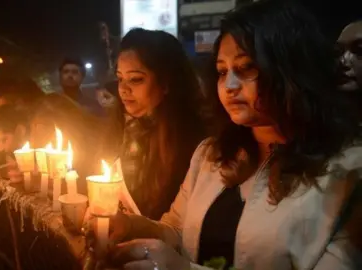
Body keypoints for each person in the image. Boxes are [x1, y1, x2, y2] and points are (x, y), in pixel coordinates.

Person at [93, 1, 362, 270]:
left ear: (292, 69)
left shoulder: (348, 173)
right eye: (222, 71)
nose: (229, 86)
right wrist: (132, 226)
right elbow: (176, 230)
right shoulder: (212, 154)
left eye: (246, 68)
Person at [100, 28, 206, 220]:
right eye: (120, 78)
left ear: (166, 83)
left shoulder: (194, 142)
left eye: (136, 79)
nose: (123, 89)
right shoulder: (119, 127)